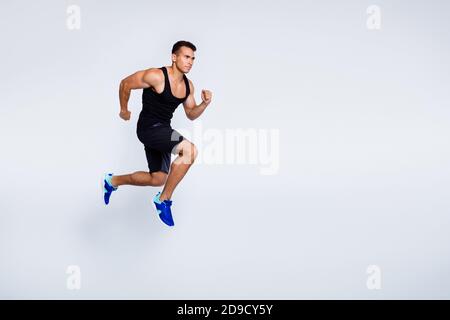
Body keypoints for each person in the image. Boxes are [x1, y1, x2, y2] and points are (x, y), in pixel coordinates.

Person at [102, 40, 212, 227]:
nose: (190, 62)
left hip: (163, 129)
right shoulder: (156, 76)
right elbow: (125, 84)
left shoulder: (188, 86)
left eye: (193, 58)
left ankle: (112, 181)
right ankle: (163, 200)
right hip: (147, 128)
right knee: (190, 151)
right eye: (186, 57)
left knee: (158, 179)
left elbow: (191, 114)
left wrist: (204, 104)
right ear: (174, 57)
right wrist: (123, 109)